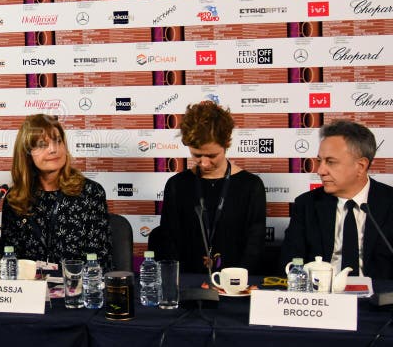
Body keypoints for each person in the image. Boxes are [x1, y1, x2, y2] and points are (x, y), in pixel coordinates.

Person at [152, 101, 266, 274]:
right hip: (187, 286)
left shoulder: (251, 186)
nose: (204, 163)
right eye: (196, 155)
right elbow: (169, 244)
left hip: (236, 286)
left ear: (226, 143)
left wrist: (237, 281)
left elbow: (254, 247)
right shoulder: (177, 185)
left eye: (212, 155)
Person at [281, 120, 393, 278]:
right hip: (323, 298)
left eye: (331, 162)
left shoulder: (389, 202)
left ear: (360, 166)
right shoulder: (306, 205)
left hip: (378, 299)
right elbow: (290, 263)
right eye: (320, 161)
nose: (320, 170)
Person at [1, 114, 112, 270]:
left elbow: (99, 261)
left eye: (58, 141)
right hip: (31, 290)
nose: (54, 149)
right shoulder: (15, 199)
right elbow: (10, 261)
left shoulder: (90, 193)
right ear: (27, 154)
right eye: (42, 144)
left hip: (77, 288)